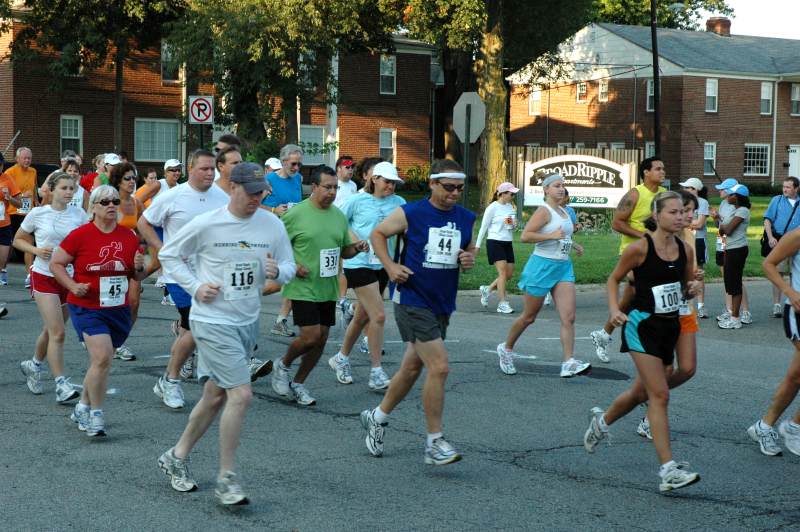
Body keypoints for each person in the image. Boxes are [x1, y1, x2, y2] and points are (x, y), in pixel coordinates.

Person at [157, 162, 295, 506]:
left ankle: (176, 455)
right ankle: (227, 478)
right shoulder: (207, 223)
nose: (256, 198)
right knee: (242, 395)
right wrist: (194, 286)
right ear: (232, 187)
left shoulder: (271, 223)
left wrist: (279, 270)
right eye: (250, 192)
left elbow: (290, 265)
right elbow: (169, 254)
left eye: (261, 192)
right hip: (211, 321)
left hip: (246, 322)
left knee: (214, 396)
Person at [359, 159, 476, 465]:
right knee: (439, 367)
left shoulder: (465, 216)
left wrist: (468, 257)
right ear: (432, 184)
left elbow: (470, 247)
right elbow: (378, 234)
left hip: (442, 300)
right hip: (412, 298)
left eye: (460, 188)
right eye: (448, 187)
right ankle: (434, 442)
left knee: (412, 368)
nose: (454, 193)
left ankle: (377, 416)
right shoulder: (411, 212)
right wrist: (390, 265)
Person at [583, 191, 701, 493]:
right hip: (641, 325)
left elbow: (685, 290)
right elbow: (613, 280)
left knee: (646, 390)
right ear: (657, 215)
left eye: (682, 212)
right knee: (659, 395)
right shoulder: (639, 248)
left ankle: (602, 422)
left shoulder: (685, 249)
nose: (679, 217)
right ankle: (668, 471)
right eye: (673, 212)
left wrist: (693, 286)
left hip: (671, 324)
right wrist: (613, 310)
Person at [50, 185, 147, 437]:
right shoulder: (80, 235)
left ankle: (82, 406)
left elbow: (137, 276)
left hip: (117, 309)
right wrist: (72, 285)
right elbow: (56, 263)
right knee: (103, 358)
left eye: (115, 201)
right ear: (93, 207)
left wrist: (138, 268)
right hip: (87, 307)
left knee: (100, 363)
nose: (112, 205)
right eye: (105, 202)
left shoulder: (129, 236)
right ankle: (96, 415)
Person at [138, 149, 230, 409]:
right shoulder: (173, 196)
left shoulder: (221, 197)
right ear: (191, 169)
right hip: (179, 274)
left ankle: (171, 378)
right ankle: (171, 381)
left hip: (210, 274)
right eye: (204, 169)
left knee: (197, 327)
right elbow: (144, 223)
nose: (210, 173)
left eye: (213, 169)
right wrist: (162, 248)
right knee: (194, 326)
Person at [271, 165, 369, 406]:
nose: (332, 192)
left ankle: (299, 382)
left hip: (327, 287)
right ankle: (282, 364)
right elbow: (275, 248)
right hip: (302, 285)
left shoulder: (338, 216)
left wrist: (355, 248)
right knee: (311, 335)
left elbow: (344, 250)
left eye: (335, 187)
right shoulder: (295, 215)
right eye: (327, 187)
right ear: (313, 187)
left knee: (321, 339)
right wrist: (293, 264)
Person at [495, 174, 590, 378]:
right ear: (546, 190)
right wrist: (550, 236)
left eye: (563, 186)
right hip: (541, 267)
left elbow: (563, 235)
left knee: (569, 317)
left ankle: (568, 362)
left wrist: (574, 245)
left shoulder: (563, 211)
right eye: (557, 186)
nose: (561, 189)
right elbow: (525, 236)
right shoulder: (543, 211)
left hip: (563, 267)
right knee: (529, 317)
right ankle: (506, 348)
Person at [328, 161, 405, 390]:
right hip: (359, 263)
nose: (391, 186)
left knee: (363, 315)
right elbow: (338, 221)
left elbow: (406, 231)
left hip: (383, 264)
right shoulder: (357, 200)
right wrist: (353, 239)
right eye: (387, 181)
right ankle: (376, 371)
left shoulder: (399, 203)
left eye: (394, 182)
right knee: (378, 316)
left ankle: (340, 358)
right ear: (374, 179)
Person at [13, 171, 87, 403]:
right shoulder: (38, 213)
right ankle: (61, 385)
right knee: (58, 332)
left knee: (50, 330)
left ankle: (34, 365)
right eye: (64, 188)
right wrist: (36, 251)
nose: (68, 192)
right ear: (52, 190)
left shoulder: (80, 215)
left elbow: (86, 243)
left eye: (71, 189)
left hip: (68, 277)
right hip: (44, 275)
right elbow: (18, 239)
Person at [635, 190, 701, 440]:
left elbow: (687, 278)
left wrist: (694, 282)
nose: (687, 215)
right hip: (657, 314)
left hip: (683, 309)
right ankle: (650, 413)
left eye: (689, 211)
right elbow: (632, 282)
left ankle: (647, 396)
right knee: (664, 371)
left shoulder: (688, 240)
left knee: (687, 368)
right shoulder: (650, 243)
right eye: (682, 211)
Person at [590, 157, 666, 363]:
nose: (662, 172)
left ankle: (605, 334)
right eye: (658, 169)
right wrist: (642, 236)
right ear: (646, 172)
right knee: (638, 288)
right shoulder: (635, 194)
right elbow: (616, 223)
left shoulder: (664, 197)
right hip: (631, 251)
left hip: (656, 251)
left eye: (663, 169)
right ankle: (638, 336)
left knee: (633, 296)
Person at [747, 225, 800, 456]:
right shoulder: (798, 235)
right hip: (797, 311)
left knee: (795, 376)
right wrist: (790, 292)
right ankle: (793, 427)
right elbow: (768, 264)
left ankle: (765, 426)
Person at [262, 144, 304, 337]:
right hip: (271, 234)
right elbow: (251, 205)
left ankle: (281, 320)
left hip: (293, 234)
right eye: (294, 164)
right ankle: (242, 294)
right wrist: (273, 210)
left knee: (294, 277)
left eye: (299, 164)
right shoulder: (268, 180)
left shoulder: (298, 179)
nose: (296, 168)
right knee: (281, 280)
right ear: (284, 161)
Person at [108, 162, 145, 361]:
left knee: (134, 302)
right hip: (112, 259)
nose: (132, 182)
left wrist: (142, 248)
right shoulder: (110, 201)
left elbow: (143, 230)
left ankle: (120, 341)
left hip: (132, 259)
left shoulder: (136, 203)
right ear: (118, 181)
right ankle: (105, 338)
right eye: (127, 178)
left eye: (134, 178)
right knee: (112, 302)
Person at [710, 178, 752, 324]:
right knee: (731, 283)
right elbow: (723, 229)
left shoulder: (742, 211)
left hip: (738, 249)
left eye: (731, 194)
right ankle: (734, 315)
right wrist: (717, 219)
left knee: (735, 285)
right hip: (730, 248)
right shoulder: (734, 209)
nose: (729, 196)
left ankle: (736, 318)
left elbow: (727, 230)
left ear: (738, 197)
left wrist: (721, 226)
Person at [477, 182, 519, 314]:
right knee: (502, 273)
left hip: (507, 242)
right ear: (502, 194)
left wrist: (515, 225)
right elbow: (483, 227)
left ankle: (487, 290)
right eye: (511, 194)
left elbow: (510, 226)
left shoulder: (510, 207)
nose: (512, 196)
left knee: (509, 274)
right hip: (494, 242)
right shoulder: (492, 208)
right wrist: (477, 246)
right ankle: (502, 303)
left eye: (513, 194)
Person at [763, 177, 800, 318]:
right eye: (784, 186)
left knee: (794, 273)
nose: (785, 189)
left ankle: (793, 299)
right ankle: (777, 304)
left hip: (797, 243)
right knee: (778, 272)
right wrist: (771, 237)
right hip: (781, 242)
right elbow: (767, 219)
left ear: (796, 188)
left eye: (788, 187)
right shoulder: (777, 200)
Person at [4, 147, 38, 288]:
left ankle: (29, 275)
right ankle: (3, 270)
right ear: (17, 159)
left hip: (27, 213)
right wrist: (21, 196)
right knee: (9, 244)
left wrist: (37, 204)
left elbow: (34, 189)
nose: (27, 160)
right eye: (24, 158)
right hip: (12, 212)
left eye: (29, 158)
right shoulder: (9, 172)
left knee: (28, 243)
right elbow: (5, 195)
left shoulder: (33, 171)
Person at [679, 178, 709, 317]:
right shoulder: (681, 202)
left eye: (688, 188)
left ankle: (701, 305)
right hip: (686, 238)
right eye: (685, 188)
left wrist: (688, 223)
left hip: (698, 239)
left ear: (695, 189)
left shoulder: (702, 202)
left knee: (698, 271)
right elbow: (694, 222)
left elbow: (700, 224)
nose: (686, 190)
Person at [334, 155, 358, 319]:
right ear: (339, 169)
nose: (350, 170)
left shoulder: (353, 186)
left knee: (344, 264)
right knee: (333, 264)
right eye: (347, 167)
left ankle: (341, 298)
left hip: (347, 228)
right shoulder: (333, 183)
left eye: (352, 167)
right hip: (331, 225)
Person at [0, 164, 23, 286]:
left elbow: (19, 204)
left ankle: (2, 271)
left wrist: (9, 198)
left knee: (3, 258)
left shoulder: (7, 179)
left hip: (4, 224)